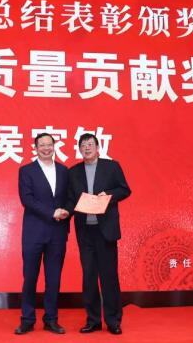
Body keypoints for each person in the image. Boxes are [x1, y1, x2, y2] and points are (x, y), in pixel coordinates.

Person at [66, 133, 131, 335]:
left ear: (97, 147)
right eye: (83, 145)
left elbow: (125, 190)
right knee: (89, 276)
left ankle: (113, 321)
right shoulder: (73, 172)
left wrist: (108, 195)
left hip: (105, 231)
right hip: (85, 231)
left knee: (109, 276)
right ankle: (93, 320)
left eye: (90, 144)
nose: (87, 148)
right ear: (79, 149)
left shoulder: (111, 167)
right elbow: (70, 199)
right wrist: (65, 212)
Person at [15, 133, 70, 335]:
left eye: (49, 145)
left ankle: (51, 319)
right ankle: (27, 319)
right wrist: (51, 212)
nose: (46, 148)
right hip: (34, 232)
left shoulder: (64, 171)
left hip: (58, 232)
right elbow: (27, 199)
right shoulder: (26, 171)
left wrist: (67, 211)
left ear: (54, 146)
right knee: (30, 277)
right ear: (36, 148)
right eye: (42, 145)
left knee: (53, 279)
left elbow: (70, 197)